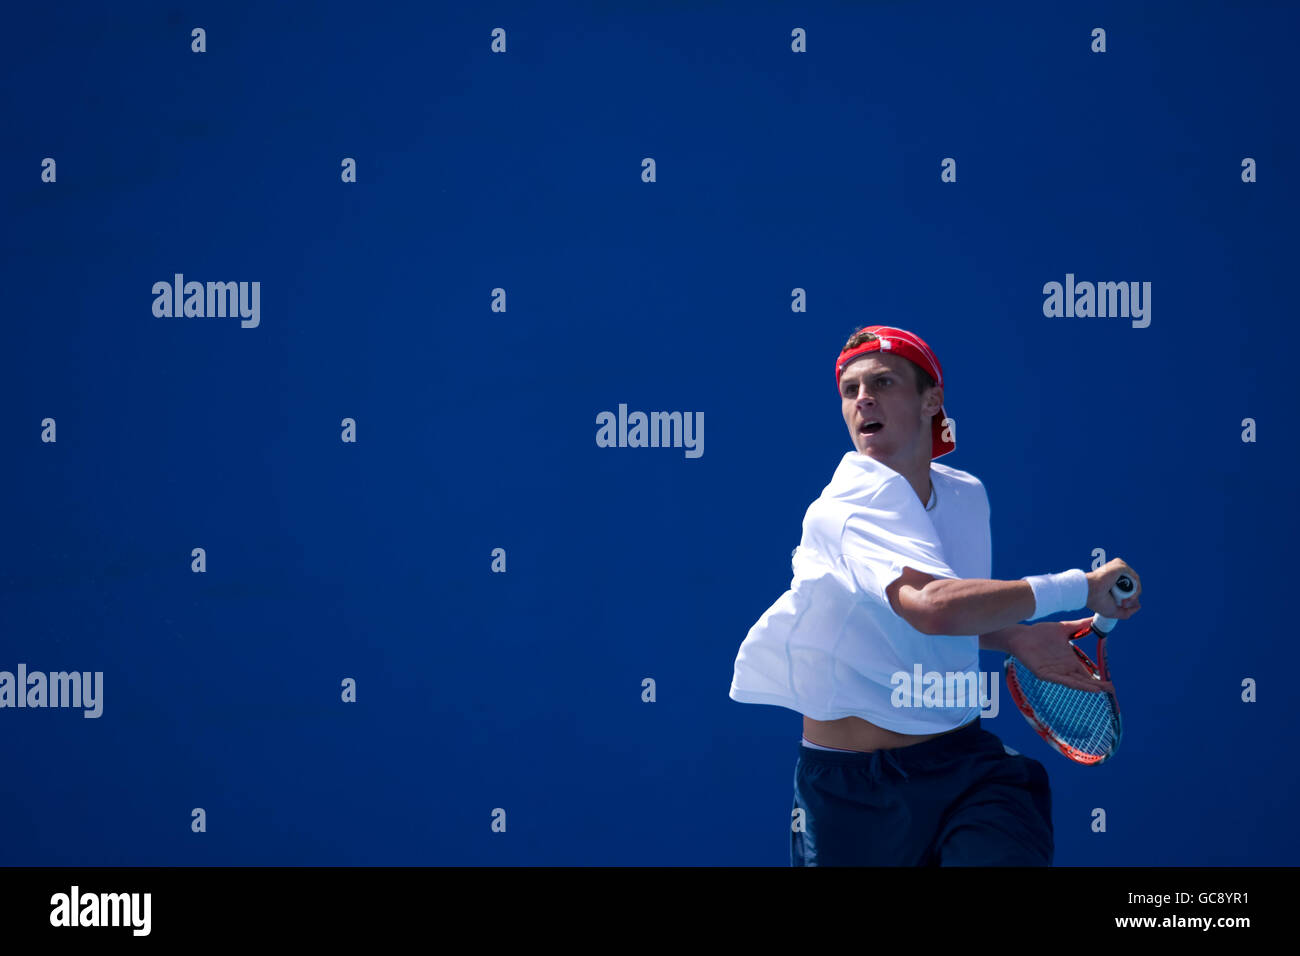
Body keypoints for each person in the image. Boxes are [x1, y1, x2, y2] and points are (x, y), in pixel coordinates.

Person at [728, 325, 1142, 866]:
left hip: (964, 765)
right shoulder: (844, 510)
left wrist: (1015, 635)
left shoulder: (965, 496)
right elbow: (933, 606)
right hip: (850, 797)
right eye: (849, 390)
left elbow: (930, 614)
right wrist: (1079, 587)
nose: (863, 399)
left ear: (932, 400)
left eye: (882, 381)